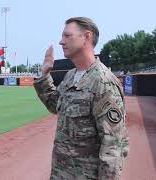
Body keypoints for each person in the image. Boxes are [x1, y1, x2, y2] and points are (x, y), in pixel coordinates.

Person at [34, 17, 129, 180]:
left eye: (67, 36)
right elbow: (55, 105)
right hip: (60, 174)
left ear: (87, 37)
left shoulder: (103, 83)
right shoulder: (71, 76)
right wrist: (44, 75)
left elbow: (113, 147)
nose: (61, 42)